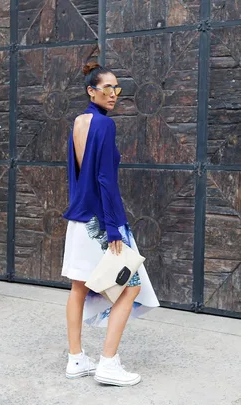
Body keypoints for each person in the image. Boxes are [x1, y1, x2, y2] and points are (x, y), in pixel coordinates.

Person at [61, 61, 159, 386]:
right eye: (107, 88)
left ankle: (76, 359)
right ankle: (108, 362)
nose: (114, 94)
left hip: (79, 220)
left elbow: (79, 175)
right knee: (130, 287)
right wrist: (115, 227)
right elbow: (105, 179)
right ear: (92, 90)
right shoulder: (104, 125)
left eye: (117, 88)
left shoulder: (79, 122)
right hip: (101, 222)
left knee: (78, 288)